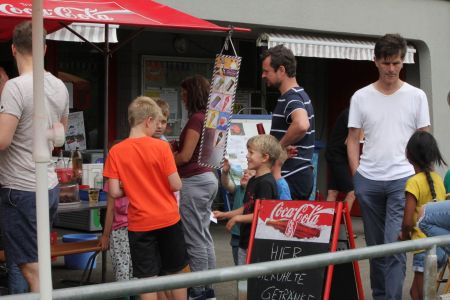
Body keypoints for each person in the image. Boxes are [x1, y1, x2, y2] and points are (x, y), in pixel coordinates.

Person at [347, 33, 431, 300]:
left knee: (394, 247)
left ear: (403, 61)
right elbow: (351, 139)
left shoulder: (416, 96)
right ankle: (381, 296)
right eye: (386, 63)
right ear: (375, 62)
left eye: (396, 63)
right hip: (369, 181)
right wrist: (357, 177)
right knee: (374, 249)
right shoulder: (361, 96)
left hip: (403, 180)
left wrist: (421, 181)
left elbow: (424, 140)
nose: (391, 69)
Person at [0, 21, 69, 292]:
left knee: (31, 268)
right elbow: (60, 132)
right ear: (44, 48)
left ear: (14, 48)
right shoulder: (59, 86)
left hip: (20, 189)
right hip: (47, 184)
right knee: (38, 260)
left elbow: (2, 140)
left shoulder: (15, 88)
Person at [103, 96, 187, 300]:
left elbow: (114, 191)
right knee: (176, 272)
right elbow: (176, 184)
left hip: (139, 223)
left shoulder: (116, 151)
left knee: (147, 278)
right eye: (156, 122)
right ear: (148, 120)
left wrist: (132, 186)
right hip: (168, 218)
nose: (157, 128)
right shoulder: (161, 147)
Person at [173, 75, 218, 300]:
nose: (182, 98)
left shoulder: (195, 119)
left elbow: (184, 156)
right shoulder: (208, 118)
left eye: (184, 93)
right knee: (203, 235)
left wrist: (164, 158)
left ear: (193, 94)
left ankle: (199, 290)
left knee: (194, 238)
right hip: (208, 178)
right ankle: (208, 288)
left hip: (194, 181)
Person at [213, 134, 280, 265]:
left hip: (258, 243)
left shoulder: (266, 183)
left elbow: (263, 215)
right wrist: (226, 214)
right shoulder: (253, 181)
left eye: (251, 152)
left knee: (251, 281)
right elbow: (247, 207)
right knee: (243, 281)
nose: (247, 156)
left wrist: (238, 218)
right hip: (245, 240)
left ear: (265, 157)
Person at [397, 131, 447, 300]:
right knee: (414, 293)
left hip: (423, 249)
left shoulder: (413, 182)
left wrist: (404, 234)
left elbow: (408, 218)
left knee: (422, 296)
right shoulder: (438, 179)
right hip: (440, 248)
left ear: (409, 155)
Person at [261, 44, 315, 200]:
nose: (263, 76)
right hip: (297, 174)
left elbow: (301, 124)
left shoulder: (291, 97)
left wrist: (277, 148)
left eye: (267, 71)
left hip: (291, 176)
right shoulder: (300, 94)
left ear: (282, 70)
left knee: (280, 224)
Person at [0, 66, 29, 295]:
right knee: (23, 255)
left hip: (15, 187)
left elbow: (3, 142)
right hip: (21, 186)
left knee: (20, 256)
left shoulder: (14, 100)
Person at [218, 159, 255, 265]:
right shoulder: (239, 189)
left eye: (250, 173)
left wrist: (224, 215)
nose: (246, 174)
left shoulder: (255, 192)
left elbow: (243, 210)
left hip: (248, 235)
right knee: (239, 265)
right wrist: (225, 172)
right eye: (245, 173)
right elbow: (226, 184)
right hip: (236, 235)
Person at [325, 108, 355, 210]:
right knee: (352, 192)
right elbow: (350, 140)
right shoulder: (351, 114)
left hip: (336, 154)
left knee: (332, 192)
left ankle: (327, 225)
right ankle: (340, 222)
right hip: (337, 155)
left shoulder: (350, 114)